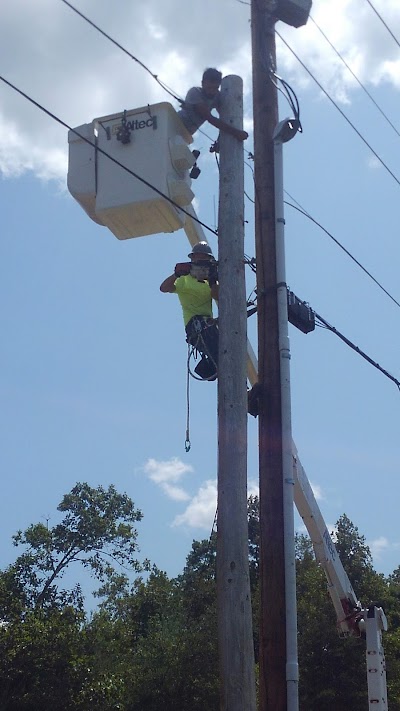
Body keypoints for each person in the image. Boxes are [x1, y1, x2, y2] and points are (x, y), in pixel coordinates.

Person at [160, 242, 219, 380]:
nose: (200, 264)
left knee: (225, 349)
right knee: (220, 352)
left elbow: (219, 297)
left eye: (203, 261)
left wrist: (212, 280)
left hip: (209, 325)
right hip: (195, 326)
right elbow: (164, 288)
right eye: (197, 260)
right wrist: (176, 274)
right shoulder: (184, 280)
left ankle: (238, 385)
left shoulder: (210, 282)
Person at [177, 67, 248, 142]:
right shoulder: (195, 92)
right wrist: (236, 133)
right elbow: (209, 117)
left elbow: (224, 118)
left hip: (186, 133)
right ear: (203, 83)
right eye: (209, 88)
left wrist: (219, 140)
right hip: (175, 122)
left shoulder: (217, 97)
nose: (212, 92)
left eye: (215, 88)